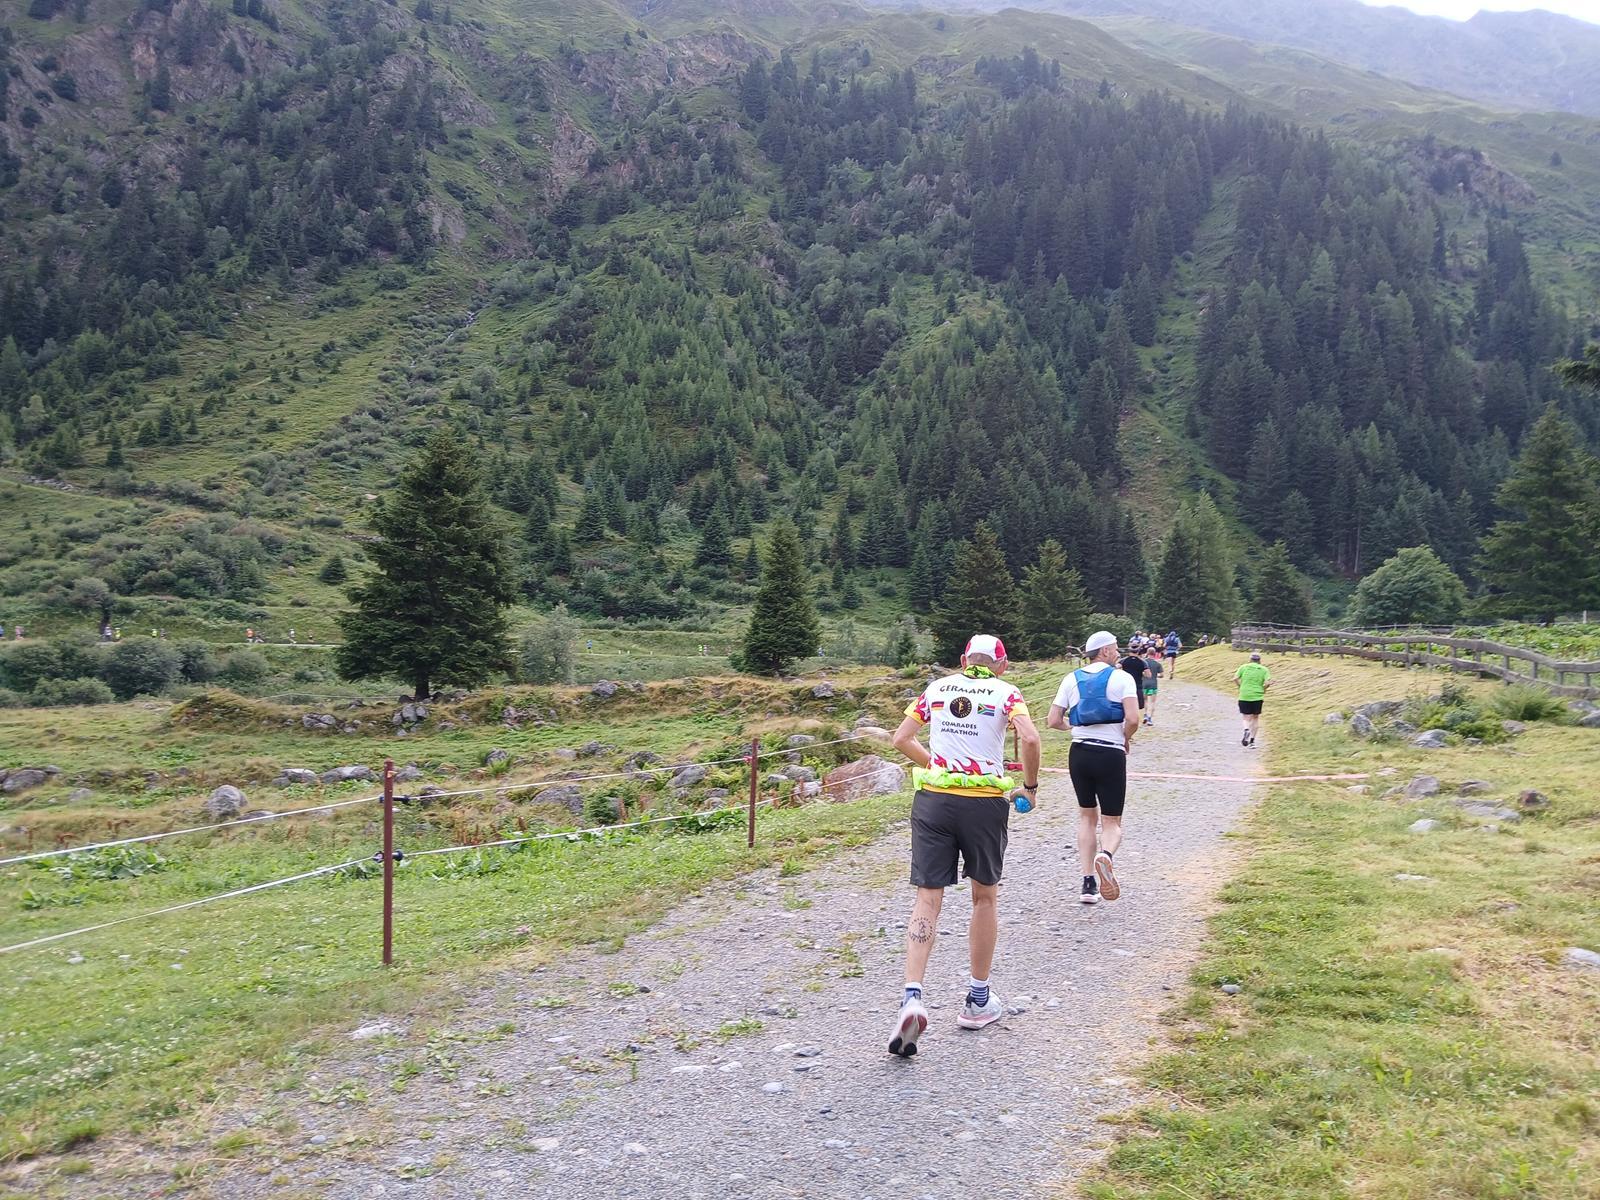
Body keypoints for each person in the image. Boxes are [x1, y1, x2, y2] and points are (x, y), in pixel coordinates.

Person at [887, 633, 1042, 1057]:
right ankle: (977, 999)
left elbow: (901, 738)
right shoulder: (1007, 693)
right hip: (984, 804)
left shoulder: (936, 689)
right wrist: (1030, 787)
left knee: (927, 898)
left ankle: (912, 996)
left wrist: (938, 764)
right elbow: (1030, 739)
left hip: (934, 800)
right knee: (984, 897)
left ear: (962, 659)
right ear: (1002, 665)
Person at [1048, 630, 1139, 905]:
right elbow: (1133, 719)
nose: (1118, 653)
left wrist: (1073, 727)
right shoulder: (1122, 678)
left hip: (1079, 753)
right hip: (1110, 753)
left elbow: (1053, 720)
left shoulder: (1070, 679)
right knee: (1112, 821)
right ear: (1105, 651)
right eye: (1115, 648)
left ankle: (1088, 884)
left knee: (1087, 816)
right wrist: (1125, 738)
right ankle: (1105, 855)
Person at [1235, 651, 1271, 747]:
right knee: (1255, 717)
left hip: (1244, 695)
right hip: (1257, 696)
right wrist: (1263, 689)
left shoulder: (1243, 667)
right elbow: (1267, 683)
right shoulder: (1264, 669)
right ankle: (1252, 741)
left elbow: (1235, 678)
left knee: (1246, 717)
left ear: (1250, 659)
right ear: (1259, 660)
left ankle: (1246, 729)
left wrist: (1240, 686)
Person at [1141, 643, 1164, 725]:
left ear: (1147, 653)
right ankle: (1150, 719)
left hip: (1144, 683)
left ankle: (1145, 715)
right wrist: (1155, 675)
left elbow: (1141, 672)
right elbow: (1162, 675)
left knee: (1145, 700)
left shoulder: (1143, 662)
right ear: (1155, 654)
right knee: (1152, 702)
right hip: (1153, 684)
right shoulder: (1157, 664)